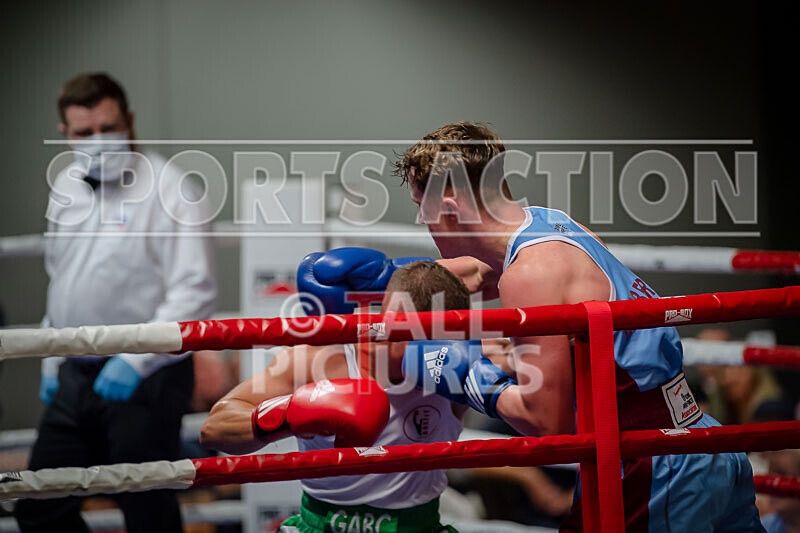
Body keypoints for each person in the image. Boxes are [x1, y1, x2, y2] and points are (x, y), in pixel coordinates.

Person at [300, 122, 765, 531]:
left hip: (652, 467)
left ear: (447, 203)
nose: (424, 223)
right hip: (703, 444)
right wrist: (387, 281)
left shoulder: (529, 275)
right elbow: (474, 274)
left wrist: (456, 368)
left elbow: (548, 423)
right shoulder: (550, 225)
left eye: (422, 208)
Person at [14, 73, 218, 533]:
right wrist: (50, 359)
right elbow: (62, 278)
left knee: (145, 507)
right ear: (65, 134)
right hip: (74, 370)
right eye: (85, 133)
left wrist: (135, 359)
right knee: (39, 504)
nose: (98, 141)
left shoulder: (172, 188)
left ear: (129, 121)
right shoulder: (65, 185)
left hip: (147, 378)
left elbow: (196, 290)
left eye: (108, 128)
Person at [201, 261, 513, 533]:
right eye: (416, 338)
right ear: (387, 319)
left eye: (438, 342)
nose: (428, 354)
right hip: (319, 526)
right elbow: (214, 428)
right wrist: (287, 414)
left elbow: (544, 408)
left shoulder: (463, 364)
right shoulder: (319, 357)